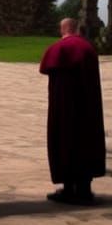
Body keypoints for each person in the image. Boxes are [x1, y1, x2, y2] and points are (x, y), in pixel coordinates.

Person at [39, 17, 106, 205]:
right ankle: (84, 189)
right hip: (87, 108)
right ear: (76, 28)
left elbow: (45, 68)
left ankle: (69, 188)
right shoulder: (88, 48)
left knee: (65, 141)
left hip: (64, 108)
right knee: (86, 142)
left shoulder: (58, 49)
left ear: (63, 29)